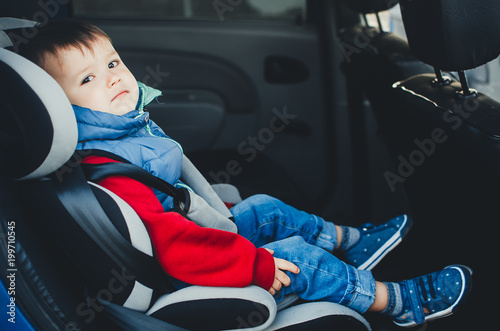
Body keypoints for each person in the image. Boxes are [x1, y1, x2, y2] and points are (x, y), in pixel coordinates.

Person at [19, 18, 472, 328]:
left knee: (262, 209)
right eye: (87, 80)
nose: (113, 78)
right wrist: (256, 263)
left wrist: (218, 213)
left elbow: (172, 203)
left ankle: (353, 242)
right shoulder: (108, 173)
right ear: (60, 108)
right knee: (298, 256)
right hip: (183, 268)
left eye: (113, 63)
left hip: (193, 242)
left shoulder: (118, 136)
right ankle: (396, 303)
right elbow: (173, 245)